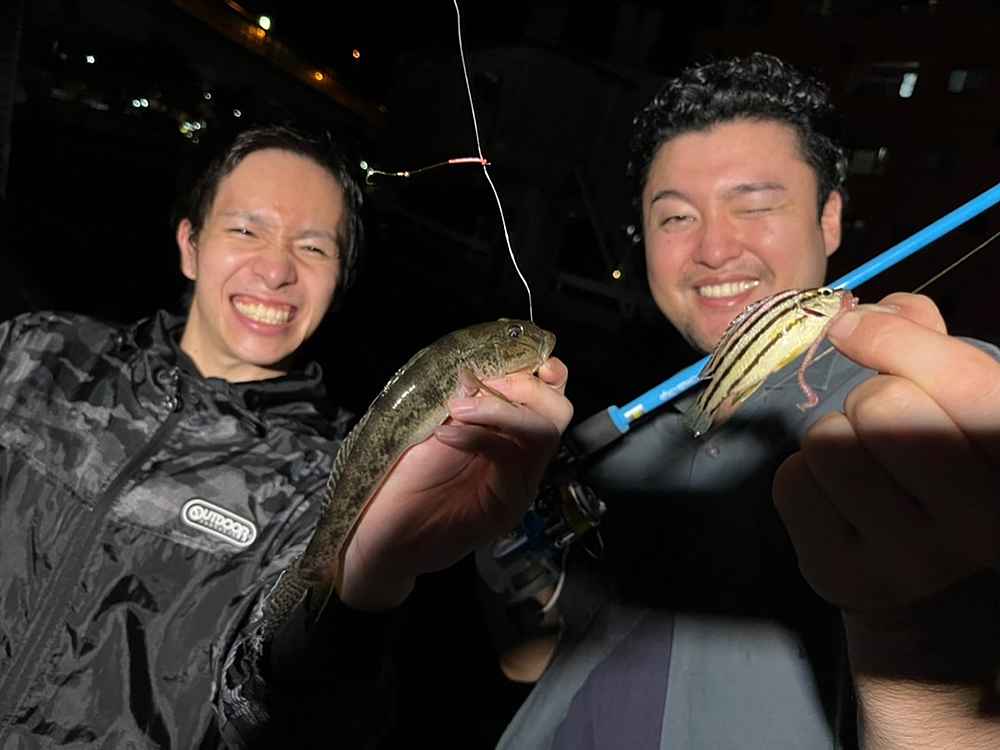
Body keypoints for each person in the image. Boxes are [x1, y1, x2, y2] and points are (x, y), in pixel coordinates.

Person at [0, 124, 573, 748]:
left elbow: (292, 714)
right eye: (246, 230)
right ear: (190, 244)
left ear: (339, 282)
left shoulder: (321, 483)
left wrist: (367, 580)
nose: (276, 271)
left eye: (313, 247)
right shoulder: (31, 352)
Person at [489, 52, 1000, 749]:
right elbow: (533, 660)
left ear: (829, 220)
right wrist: (506, 560)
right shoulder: (625, 443)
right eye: (675, 217)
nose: (713, 249)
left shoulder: (912, 403)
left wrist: (929, 666)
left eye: (756, 205)